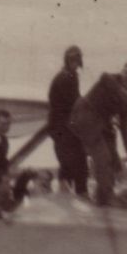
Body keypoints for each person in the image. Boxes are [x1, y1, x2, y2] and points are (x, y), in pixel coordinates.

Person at [69, 61, 127, 206]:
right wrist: (125, 93)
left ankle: (102, 197)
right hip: (84, 116)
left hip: (101, 123)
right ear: (122, 71)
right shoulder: (111, 79)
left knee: (114, 160)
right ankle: (108, 197)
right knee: (103, 156)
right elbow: (104, 77)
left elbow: (125, 127)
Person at [47, 46, 89, 195]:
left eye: (77, 59)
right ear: (67, 60)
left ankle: (72, 194)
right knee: (74, 165)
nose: (75, 62)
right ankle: (75, 195)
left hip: (64, 128)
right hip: (63, 128)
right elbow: (73, 103)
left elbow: (76, 101)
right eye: (72, 59)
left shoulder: (71, 76)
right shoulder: (65, 77)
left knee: (72, 165)